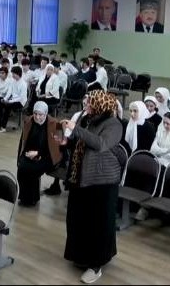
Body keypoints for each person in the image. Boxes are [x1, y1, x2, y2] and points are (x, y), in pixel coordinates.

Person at [59, 91, 123, 284]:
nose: (85, 104)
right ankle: (81, 255)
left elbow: (101, 144)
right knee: (78, 218)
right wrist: (65, 142)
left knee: (99, 223)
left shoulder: (114, 124)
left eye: (90, 102)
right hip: (81, 176)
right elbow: (80, 143)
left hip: (102, 181)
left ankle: (96, 265)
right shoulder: (87, 119)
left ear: (100, 105)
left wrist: (76, 129)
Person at [16, 102, 62, 207]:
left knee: (32, 170)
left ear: (46, 114)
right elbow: (23, 141)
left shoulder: (56, 124)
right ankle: (24, 197)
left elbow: (57, 147)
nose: (37, 117)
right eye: (35, 114)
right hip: (31, 153)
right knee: (21, 168)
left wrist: (38, 153)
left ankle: (33, 199)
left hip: (48, 155)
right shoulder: (28, 121)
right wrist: (22, 156)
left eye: (40, 114)